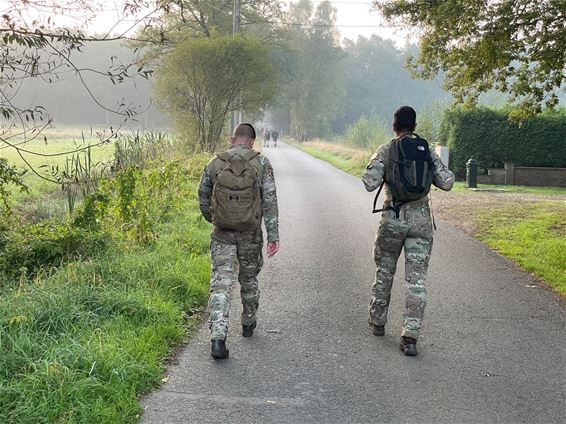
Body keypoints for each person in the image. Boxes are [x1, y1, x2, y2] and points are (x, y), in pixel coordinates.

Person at [362, 106, 454, 356]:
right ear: (414, 126)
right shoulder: (426, 151)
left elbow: (369, 183)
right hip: (421, 222)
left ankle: (378, 322)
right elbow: (447, 182)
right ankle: (410, 337)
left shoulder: (387, 149)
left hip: (393, 218)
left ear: (395, 125)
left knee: (384, 271)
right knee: (416, 282)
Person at [198, 123, 280, 359]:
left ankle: (217, 338)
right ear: (252, 141)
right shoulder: (262, 163)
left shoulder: (216, 162)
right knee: (249, 277)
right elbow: (270, 202)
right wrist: (273, 236)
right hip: (250, 233)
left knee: (220, 282)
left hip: (222, 232)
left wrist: (213, 218)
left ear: (232, 138)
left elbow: (203, 195)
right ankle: (248, 322)